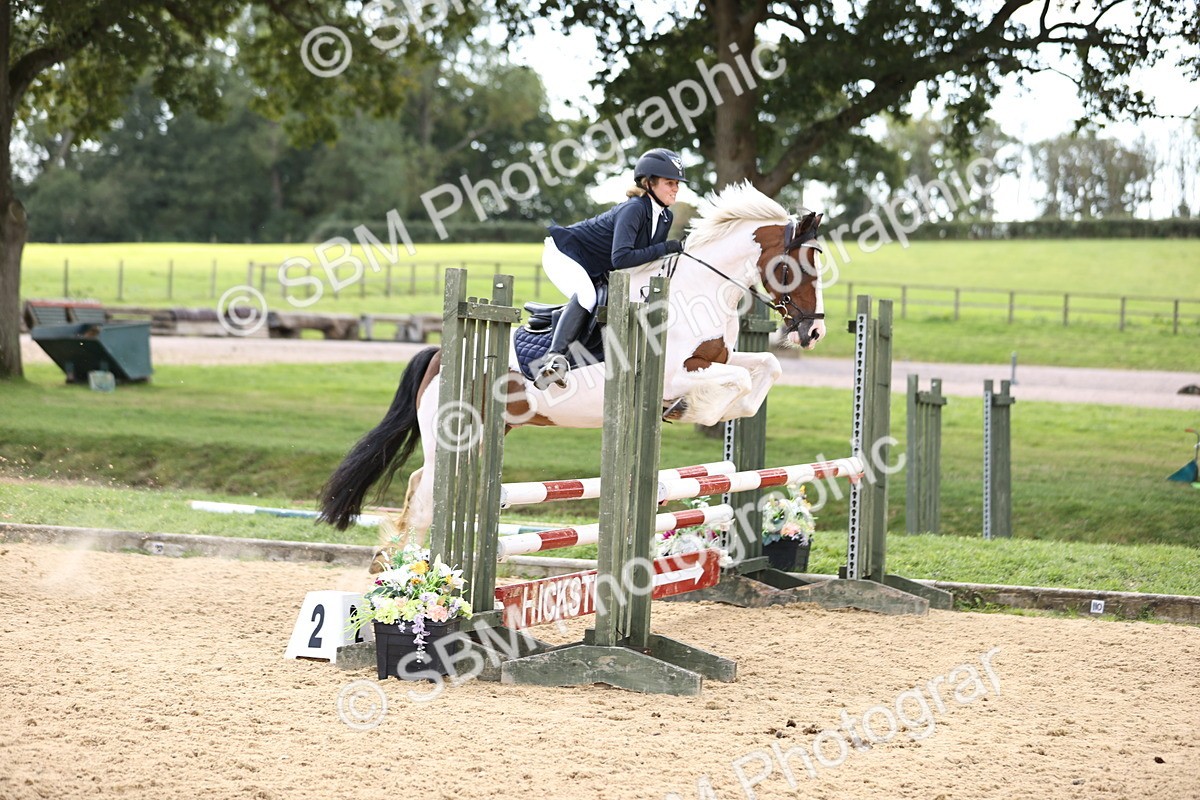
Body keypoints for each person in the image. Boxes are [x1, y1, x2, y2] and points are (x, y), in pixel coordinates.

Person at [534, 147, 687, 389]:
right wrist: (667, 247)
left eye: (677, 183)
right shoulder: (634, 208)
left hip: (594, 264)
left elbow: (648, 263)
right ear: (649, 183)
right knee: (588, 296)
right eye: (669, 183)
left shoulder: (665, 217)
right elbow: (622, 258)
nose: (675, 188)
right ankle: (554, 358)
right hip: (564, 254)